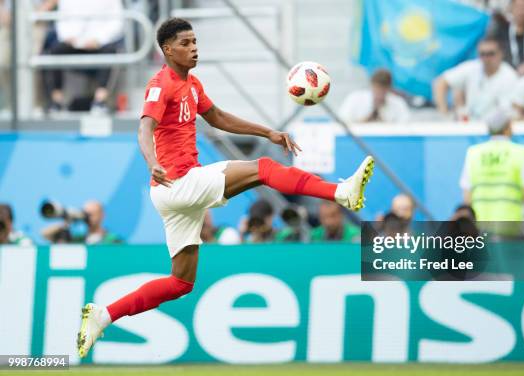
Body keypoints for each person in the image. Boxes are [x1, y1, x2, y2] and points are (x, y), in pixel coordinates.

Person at [76, 18, 375, 358]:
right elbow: (145, 129)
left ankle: (103, 315)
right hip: (178, 182)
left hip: (178, 192)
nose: (194, 48)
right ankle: (341, 193)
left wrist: (267, 133)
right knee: (263, 169)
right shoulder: (161, 85)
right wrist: (151, 162)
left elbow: (217, 117)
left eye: (195, 41)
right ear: (168, 49)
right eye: (186, 43)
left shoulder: (192, 84)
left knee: (180, 284)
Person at [459, 109, 524, 236]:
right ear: (508, 128)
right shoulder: (520, 152)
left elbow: (467, 197)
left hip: (480, 226)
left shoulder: (473, 153)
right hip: (511, 226)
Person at [43, 0, 124, 113]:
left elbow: (117, 23)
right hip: (73, 42)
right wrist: (69, 37)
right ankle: (56, 102)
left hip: (100, 43)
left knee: (111, 52)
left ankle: (99, 102)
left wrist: (98, 40)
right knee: (54, 51)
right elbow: (61, 20)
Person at [433, 37, 518, 121]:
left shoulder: (510, 77)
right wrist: (445, 115)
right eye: (482, 54)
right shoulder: (472, 67)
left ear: (501, 54)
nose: (486, 58)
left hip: (496, 128)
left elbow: (509, 114)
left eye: (490, 54)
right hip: (471, 126)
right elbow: (440, 83)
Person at [338, 68, 411, 123]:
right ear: (371, 86)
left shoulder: (398, 104)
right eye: (377, 90)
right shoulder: (354, 99)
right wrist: (362, 123)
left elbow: (405, 127)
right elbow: (342, 123)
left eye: (383, 91)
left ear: (389, 89)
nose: (379, 95)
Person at [41, 200, 122, 244]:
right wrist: (67, 222)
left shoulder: (113, 240)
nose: (88, 217)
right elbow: (45, 234)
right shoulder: (78, 239)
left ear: (102, 215)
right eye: (85, 213)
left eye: (92, 214)